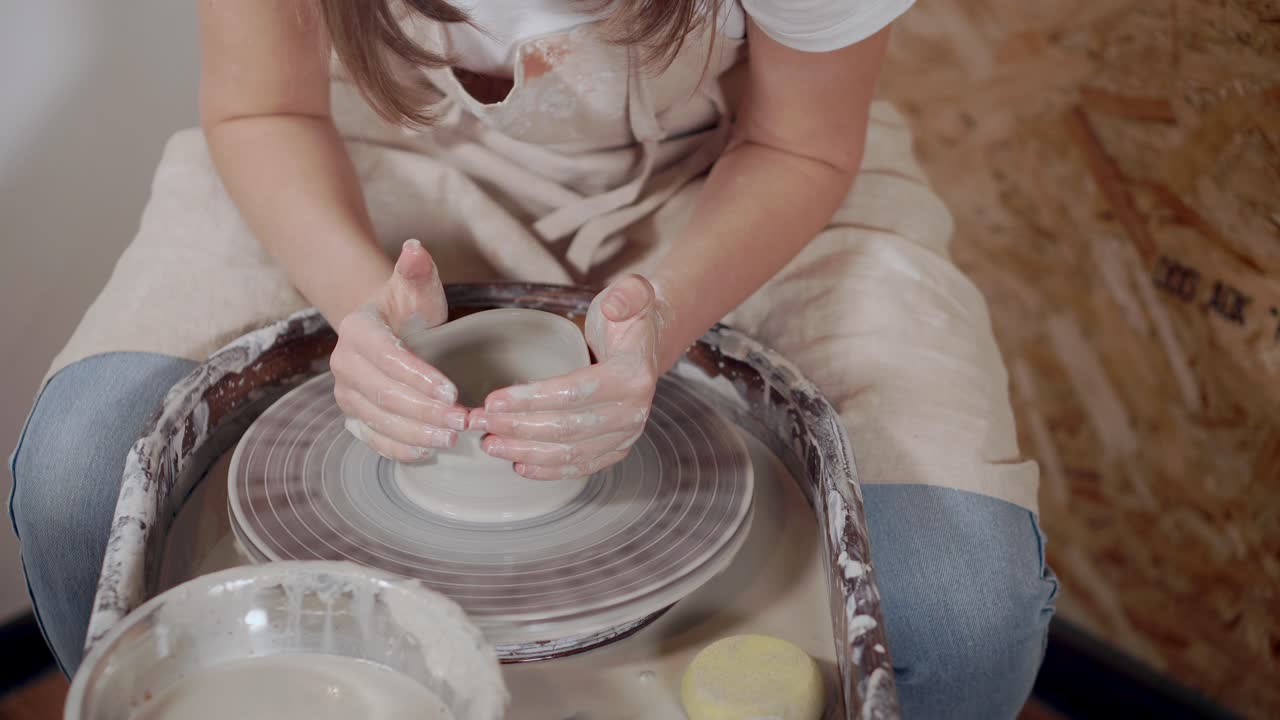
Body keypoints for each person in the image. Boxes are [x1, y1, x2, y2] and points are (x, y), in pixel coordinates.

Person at [9, 0, 1056, 715]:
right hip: (377, 150)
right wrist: (360, 306)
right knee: (82, 484)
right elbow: (264, 105)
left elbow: (799, 143)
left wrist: (664, 312)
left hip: (731, 174)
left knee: (957, 611)